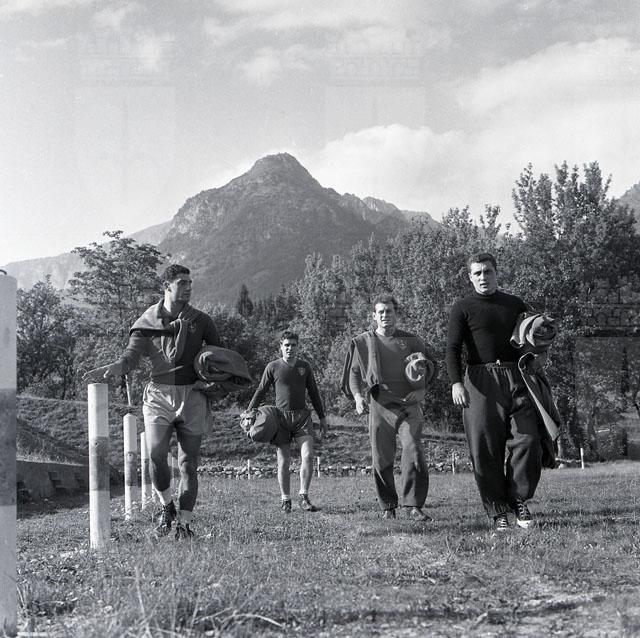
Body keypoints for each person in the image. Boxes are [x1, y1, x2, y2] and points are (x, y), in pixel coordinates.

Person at [82, 264, 221, 539]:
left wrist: (216, 380)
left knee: (188, 464)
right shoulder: (147, 322)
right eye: (182, 282)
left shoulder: (202, 321)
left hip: (193, 395)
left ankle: (184, 525)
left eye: (190, 283)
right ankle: (167, 506)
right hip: (158, 395)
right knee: (156, 455)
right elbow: (129, 359)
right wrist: (112, 367)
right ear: (166, 286)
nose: (188, 287)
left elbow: (220, 355)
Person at [446, 252, 542, 532]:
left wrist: (539, 354)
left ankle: (518, 499)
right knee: (485, 448)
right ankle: (498, 509)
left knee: (528, 439)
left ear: (496, 273)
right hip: (480, 380)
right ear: (470, 277)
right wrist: (456, 383)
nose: (483, 277)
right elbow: (452, 348)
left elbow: (532, 335)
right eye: (477, 273)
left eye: (487, 271)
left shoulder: (514, 303)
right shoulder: (462, 307)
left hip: (517, 376)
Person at [342, 294, 435, 520]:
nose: (385, 315)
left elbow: (431, 368)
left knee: (413, 449)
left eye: (389, 311)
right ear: (373, 316)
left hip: (409, 406)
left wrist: (421, 391)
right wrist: (358, 397)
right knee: (381, 457)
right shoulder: (364, 342)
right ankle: (388, 506)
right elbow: (354, 374)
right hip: (380, 405)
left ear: (396, 314)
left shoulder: (412, 341)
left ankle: (414, 505)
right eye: (381, 312)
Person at [245, 331, 327, 513]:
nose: (290, 348)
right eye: (286, 345)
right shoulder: (273, 367)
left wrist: (322, 418)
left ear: (298, 347)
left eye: (293, 345)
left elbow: (314, 393)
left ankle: (304, 497)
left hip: (302, 418)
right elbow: (260, 391)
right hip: (280, 419)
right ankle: (286, 500)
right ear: (280, 347)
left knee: (308, 456)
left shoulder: (305, 367)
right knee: (283, 461)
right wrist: (249, 413)